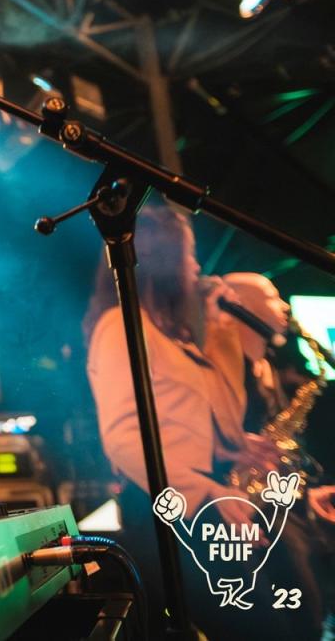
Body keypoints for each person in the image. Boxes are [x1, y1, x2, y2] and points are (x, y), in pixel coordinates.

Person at [84, 203, 328, 638]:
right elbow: (122, 437)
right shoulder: (120, 327)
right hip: (176, 508)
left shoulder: (173, 337)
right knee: (265, 629)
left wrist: (230, 446)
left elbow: (221, 410)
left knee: (293, 622)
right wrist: (205, 491)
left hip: (203, 500)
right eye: (188, 255)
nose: (197, 267)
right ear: (163, 261)